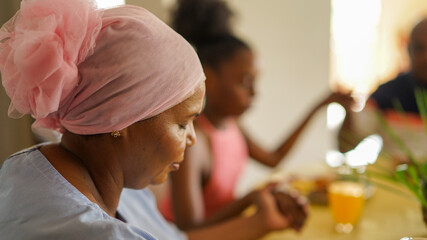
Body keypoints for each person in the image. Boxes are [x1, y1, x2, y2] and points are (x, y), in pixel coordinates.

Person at [0, 0, 307, 239]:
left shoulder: (28, 168)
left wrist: (260, 222)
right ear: (121, 119)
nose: (192, 138)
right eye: (183, 123)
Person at [157, 0, 352, 230]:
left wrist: (319, 107)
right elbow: (189, 229)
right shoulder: (193, 142)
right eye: (245, 82)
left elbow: (274, 158)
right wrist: (250, 198)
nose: (254, 92)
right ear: (208, 76)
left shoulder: (232, 125)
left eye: (255, 81)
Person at [338, 17, 427, 161]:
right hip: (392, 179)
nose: (425, 57)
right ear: (408, 50)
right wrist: (347, 111)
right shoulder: (386, 94)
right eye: (419, 48)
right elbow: (345, 146)